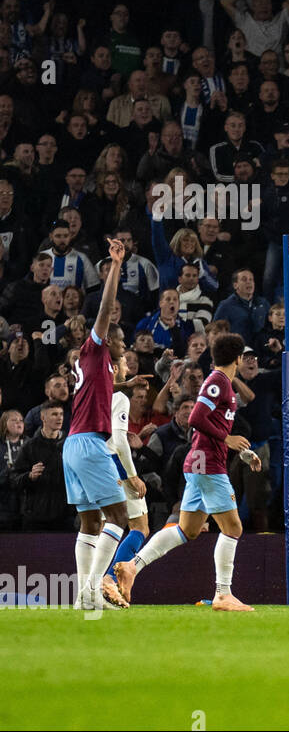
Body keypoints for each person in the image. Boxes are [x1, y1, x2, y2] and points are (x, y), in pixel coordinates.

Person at [114, 333, 264, 611]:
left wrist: (239, 450)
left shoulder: (223, 384)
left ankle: (132, 567)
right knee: (233, 528)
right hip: (208, 465)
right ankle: (223, 594)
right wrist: (227, 439)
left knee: (187, 530)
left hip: (202, 463)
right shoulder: (218, 382)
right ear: (238, 358)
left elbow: (211, 428)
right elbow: (196, 418)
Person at [62, 238, 132, 610]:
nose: (124, 344)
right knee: (119, 517)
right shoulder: (95, 348)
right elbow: (106, 309)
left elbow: (102, 390)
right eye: (120, 340)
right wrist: (116, 266)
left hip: (73, 446)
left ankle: (80, 597)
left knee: (89, 522)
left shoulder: (97, 368)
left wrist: (126, 384)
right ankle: (92, 590)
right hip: (89, 445)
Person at [100, 359, 152, 603]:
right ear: (115, 369)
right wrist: (131, 475)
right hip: (114, 464)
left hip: (89, 462)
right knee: (139, 526)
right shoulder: (119, 398)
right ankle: (110, 578)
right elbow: (119, 442)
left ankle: (91, 587)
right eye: (122, 360)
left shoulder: (88, 393)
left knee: (99, 528)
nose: (127, 363)